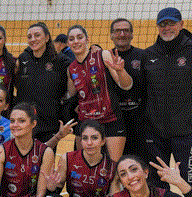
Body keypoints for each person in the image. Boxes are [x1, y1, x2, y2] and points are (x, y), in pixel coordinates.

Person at [143, 7, 192, 195]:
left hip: (185, 133)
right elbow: (142, 92)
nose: (167, 28)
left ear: (181, 24)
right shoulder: (148, 55)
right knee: (156, 184)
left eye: (171, 23)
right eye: (162, 24)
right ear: (157, 27)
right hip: (155, 134)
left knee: (190, 181)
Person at [65, 24, 132, 162]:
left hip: (110, 119)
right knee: (85, 165)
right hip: (86, 122)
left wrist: (120, 71)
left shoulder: (102, 55)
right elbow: (71, 95)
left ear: (87, 39)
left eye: (79, 37)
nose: (76, 41)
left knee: (113, 166)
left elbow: (126, 86)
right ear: (68, 43)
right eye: (71, 39)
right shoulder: (71, 69)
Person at [40, 120, 117, 197]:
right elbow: (55, 191)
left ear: (103, 141)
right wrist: (51, 187)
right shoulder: (68, 158)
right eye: (85, 138)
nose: (89, 143)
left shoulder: (112, 166)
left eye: (94, 138)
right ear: (80, 141)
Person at [14, 22, 68, 143]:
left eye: (37, 35)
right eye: (29, 37)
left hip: (49, 124)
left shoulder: (60, 60)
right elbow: (18, 83)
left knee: (46, 154)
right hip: (24, 123)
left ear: (47, 37)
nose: (33, 39)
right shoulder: (23, 59)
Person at [110, 18, 147, 158]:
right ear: (111, 35)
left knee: (139, 163)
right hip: (114, 123)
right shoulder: (105, 57)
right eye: (118, 31)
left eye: (126, 31)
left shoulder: (143, 56)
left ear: (132, 34)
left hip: (140, 123)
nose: (122, 34)